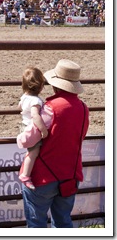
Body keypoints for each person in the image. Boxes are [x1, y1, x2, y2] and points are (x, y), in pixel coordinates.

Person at [21, 59, 89, 228]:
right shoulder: (83, 108)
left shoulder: (49, 108)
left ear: (55, 85)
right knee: (63, 221)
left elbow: (28, 139)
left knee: (36, 222)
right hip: (70, 175)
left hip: (44, 176)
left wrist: (19, 138)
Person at [17, 67, 49, 190]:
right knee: (34, 152)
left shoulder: (24, 97)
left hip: (24, 126)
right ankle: (25, 175)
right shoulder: (35, 101)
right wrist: (43, 130)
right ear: (41, 86)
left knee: (30, 151)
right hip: (32, 129)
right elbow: (35, 116)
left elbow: (19, 106)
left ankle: (26, 171)